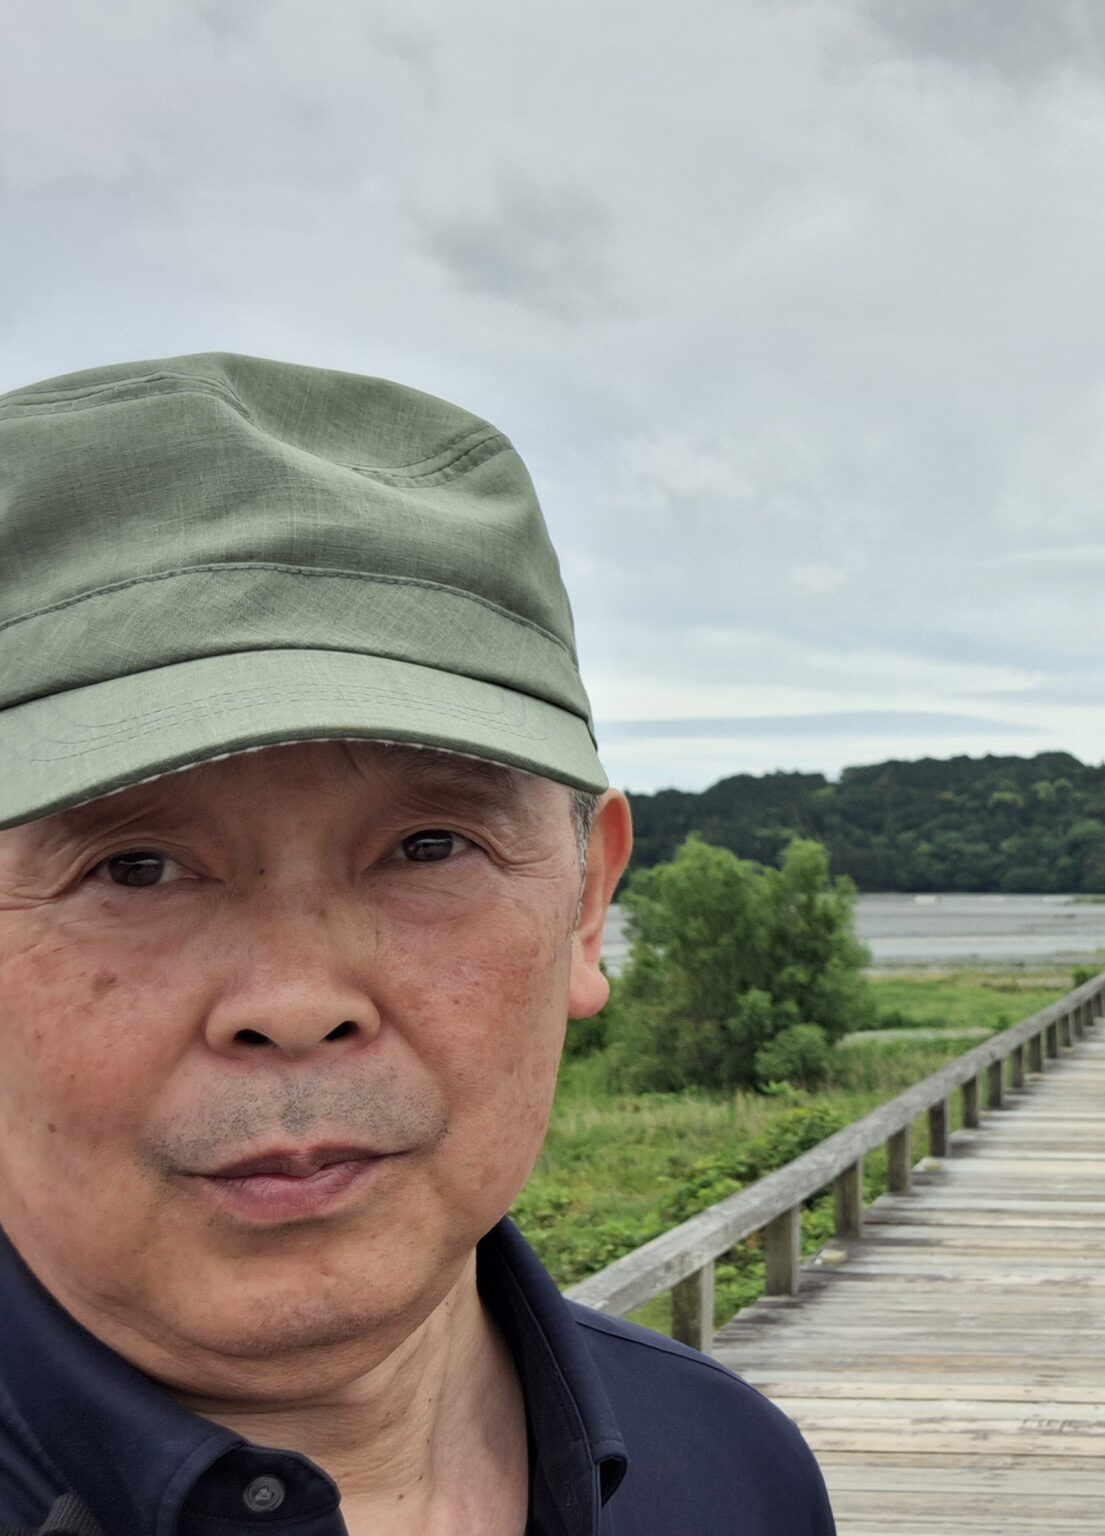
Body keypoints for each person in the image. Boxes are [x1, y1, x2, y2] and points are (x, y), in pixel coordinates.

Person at [0, 355, 836, 1535]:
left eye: (430, 847)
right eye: (133, 866)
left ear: (584, 905)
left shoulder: (731, 1472)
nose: (296, 1001)